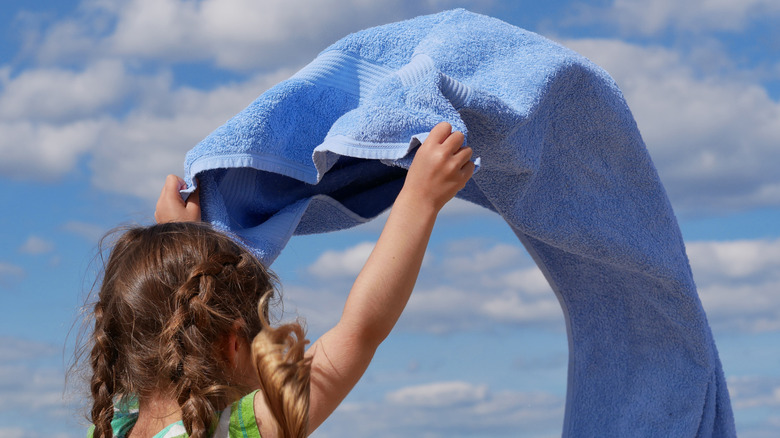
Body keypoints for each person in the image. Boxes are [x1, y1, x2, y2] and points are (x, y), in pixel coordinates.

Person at [83, 122, 475, 438]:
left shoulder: (110, 428)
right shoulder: (241, 430)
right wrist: (420, 199)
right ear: (234, 344)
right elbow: (360, 331)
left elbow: (156, 311)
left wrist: (179, 243)